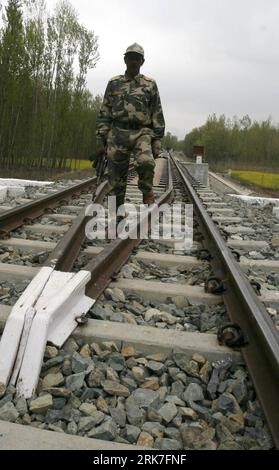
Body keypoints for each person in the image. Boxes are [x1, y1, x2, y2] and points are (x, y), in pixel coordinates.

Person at [95, 43, 165, 212]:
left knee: (146, 162)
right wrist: (101, 138)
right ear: (125, 60)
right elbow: (105, 111)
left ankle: (147, 192)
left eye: (137, 59)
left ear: (142, 62)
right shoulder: (114, 83)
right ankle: (116, 215)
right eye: (131, 58)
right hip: (118, 132)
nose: (133, 61)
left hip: (142, 132)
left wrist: (157, 141)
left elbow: (157, 112)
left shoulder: (150, 84)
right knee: (115, 180)